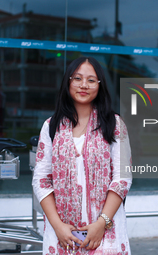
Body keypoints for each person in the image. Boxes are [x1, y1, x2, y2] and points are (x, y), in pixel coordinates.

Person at [32, 56, 132, 254]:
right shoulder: (51, 126)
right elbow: (41, 180)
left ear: (100, 85)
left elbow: (122, 178)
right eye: (77, 78)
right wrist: (58, 226)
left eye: (91, 80)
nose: (84, 85)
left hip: (105, 231)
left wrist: (101, 224)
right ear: (68, 82)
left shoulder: (114, 124)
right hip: (62, 233)